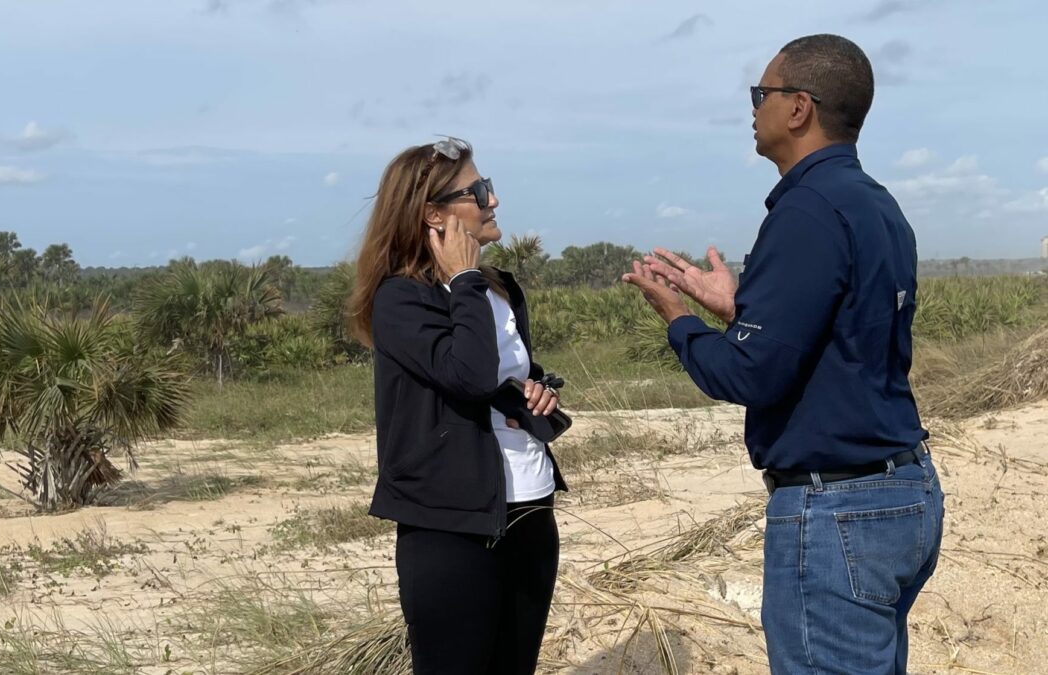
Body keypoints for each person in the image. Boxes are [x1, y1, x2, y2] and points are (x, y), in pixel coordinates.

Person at [622, 34, 944, 674]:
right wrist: (739, 310)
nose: (753, 108)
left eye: (760, 94)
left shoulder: (807, 210)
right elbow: (839, 338)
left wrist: (678, 318)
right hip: (904, 491)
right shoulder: (877, 206)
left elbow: (749, 373)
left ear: (798, 108)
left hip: (838, 508)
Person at [347, 137, 568, 675]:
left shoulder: (497, 290)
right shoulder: (400, 298)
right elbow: (466, 376)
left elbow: (496, 378)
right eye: (479, 191)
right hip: (449, 524)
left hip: (529, 507)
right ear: (432, 214)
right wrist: (463, 279)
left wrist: (535, 387)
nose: (494, 201)